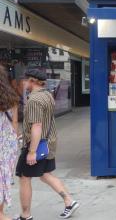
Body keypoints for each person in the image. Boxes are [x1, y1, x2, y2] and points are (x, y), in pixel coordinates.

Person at [14, 69, 79, 220]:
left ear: (32, 81)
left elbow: (37, 125)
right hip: (48, 141)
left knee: (24, 177)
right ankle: (69, 201)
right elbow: (44, 120)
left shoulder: (34, 100)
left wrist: (31, 152)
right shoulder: (47, 95)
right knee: (44, 175)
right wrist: (26, 132)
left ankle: (25, 215)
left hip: (37, 145)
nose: (23, 83)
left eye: (25, 80)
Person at [0, 65, 20, 220]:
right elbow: (14, 123)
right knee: (4, 177)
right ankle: (1, 212)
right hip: (8, 145)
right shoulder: (11, 97)